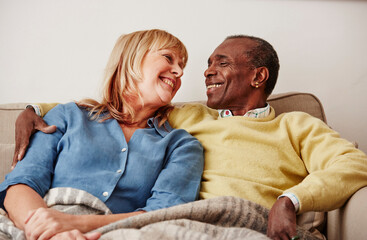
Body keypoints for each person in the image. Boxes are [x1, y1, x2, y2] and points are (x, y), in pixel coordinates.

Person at [11, 35, 367, 240]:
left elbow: (354, 163)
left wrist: (290, 200)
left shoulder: (296, 125)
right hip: (185, 221)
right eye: (208, 63)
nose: (205, 72)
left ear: (258, 76)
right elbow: (115, 108)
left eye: (222, 63)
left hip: (248, 218)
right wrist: (32, 110)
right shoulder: (189, 117)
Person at [0, 29, 204, 240]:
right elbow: (21, 184)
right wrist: (48, 232)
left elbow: (164, 216)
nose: (179, 72)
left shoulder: (182, 146)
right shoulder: (68, 116)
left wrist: (75, 224)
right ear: (131, 58)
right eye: (168, 58)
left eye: (182, 67)